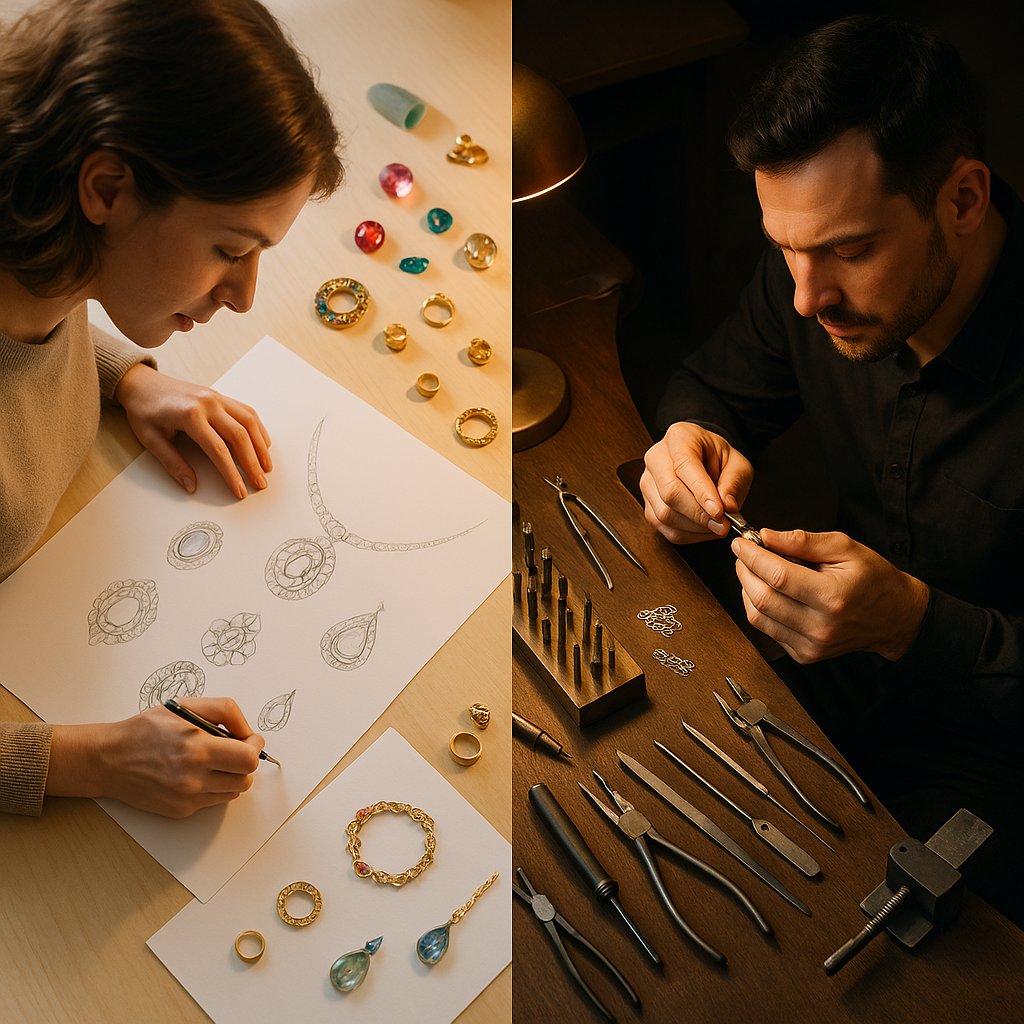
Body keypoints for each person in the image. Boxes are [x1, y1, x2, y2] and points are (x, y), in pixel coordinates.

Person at [641, 14, 1024, 926]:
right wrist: (686, 441)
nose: (808, 298)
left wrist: (916, 624)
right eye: (786, 248)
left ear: (963, 200)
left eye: (851, 250)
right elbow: (711, 387)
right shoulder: (813, 279)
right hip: (834, 688)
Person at [0, 0, 342, 818]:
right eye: (229, 249)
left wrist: (125, 379)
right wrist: (87, 761)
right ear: (108, 186)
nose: (246, 294)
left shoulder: (42, 252)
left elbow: (37, 338)